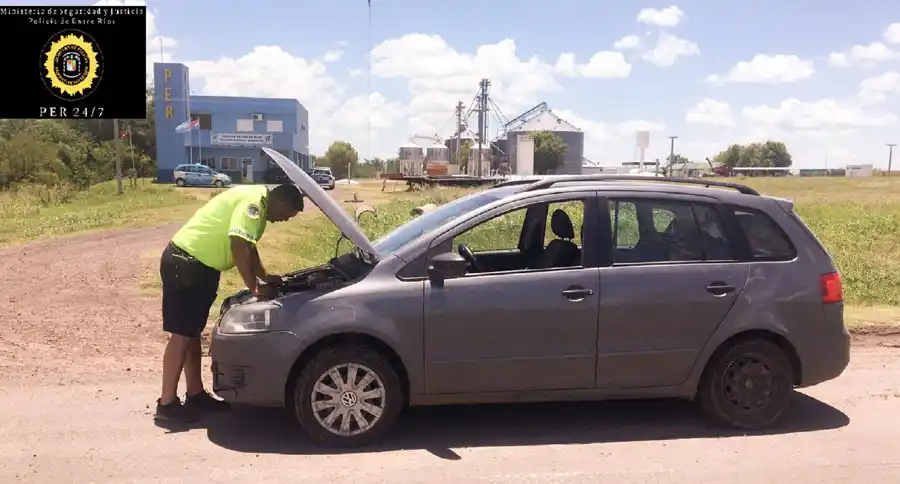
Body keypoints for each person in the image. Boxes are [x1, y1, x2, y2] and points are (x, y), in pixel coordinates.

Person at [155, 183, 305, 423]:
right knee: (181, 335)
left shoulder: (258, 203)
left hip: (199, 267)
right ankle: (167, 404)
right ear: (282, 203)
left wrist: (264, 276)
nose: (285, 220)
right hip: (185, 263)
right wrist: (254, 288)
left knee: (192, 333)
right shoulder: (253, 204)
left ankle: (195, 394)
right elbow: (237, 244)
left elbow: (248, 245)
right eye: (288, 215)